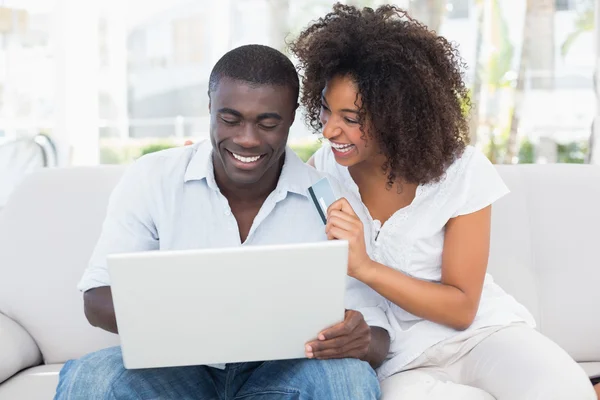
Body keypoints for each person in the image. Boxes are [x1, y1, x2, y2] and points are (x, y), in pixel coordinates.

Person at [290, 4, 597, 400]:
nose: (330, 129)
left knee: (566, 391)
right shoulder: (323, 172)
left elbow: (462, 308)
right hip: (400, 361)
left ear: (395, 114)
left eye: (350, 117)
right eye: (327, 110)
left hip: (482, 335)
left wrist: (365, 266)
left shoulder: (461, 171)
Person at [54, 44, 391, 400]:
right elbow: (97, 299)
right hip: (175, 369)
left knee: (349, 380)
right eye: (230, 119)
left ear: (292, 117)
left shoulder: (330, 196)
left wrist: (361, 337)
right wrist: (193, 323)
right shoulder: (153, 177)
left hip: (282, 372)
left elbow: (379, 335)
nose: (247, 138)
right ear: (210, 106)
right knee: (93, 378)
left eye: (268, 123)